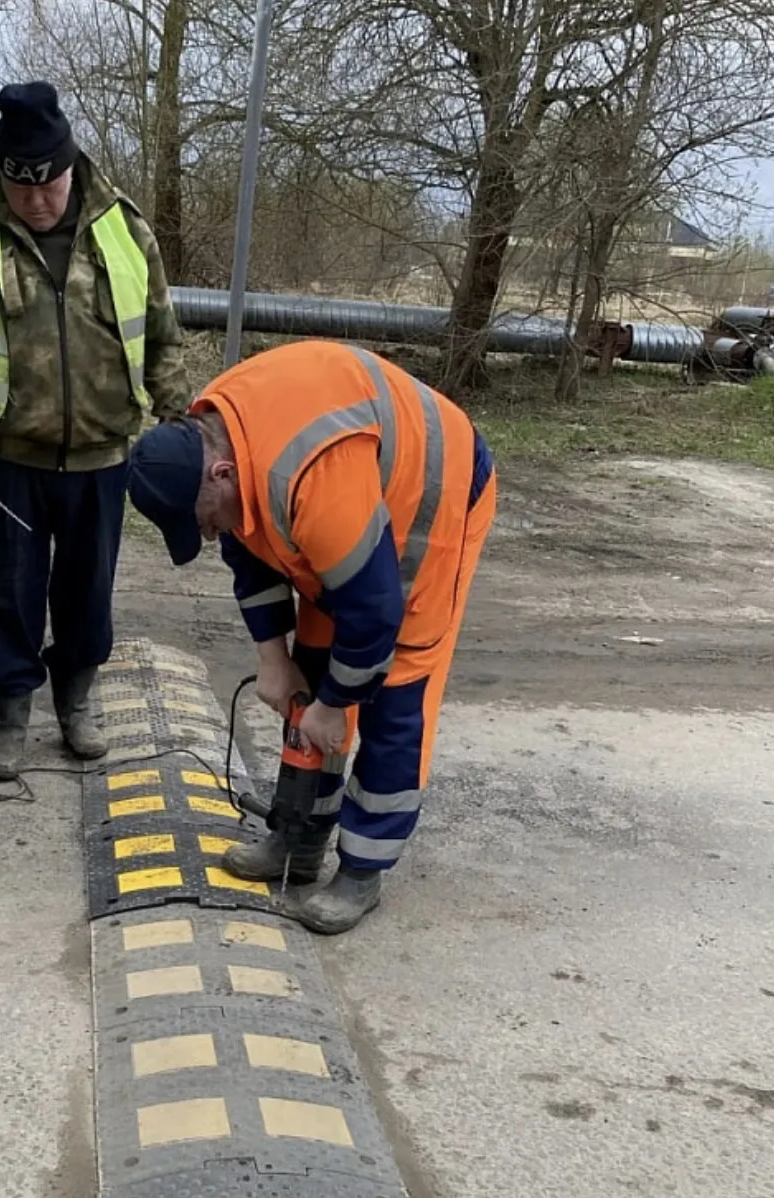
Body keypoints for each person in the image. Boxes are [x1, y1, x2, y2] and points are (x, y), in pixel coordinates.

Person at [125, 339, 496, 934]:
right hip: (348, 512)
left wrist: (336, 704)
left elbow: (374, 611)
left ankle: (363, 869)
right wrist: (274, 661)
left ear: (219, 472)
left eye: (204, 522)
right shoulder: (217, 434)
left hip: (435, 497)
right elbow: (251, 548)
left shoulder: (308, 474)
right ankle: (298, 840)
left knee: (394, 688)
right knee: (313, 668)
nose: (212, 537)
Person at [0, 81, 190, 780]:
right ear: (4, 174)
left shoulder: (123, 226)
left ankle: (77, 702)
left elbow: (161, 338)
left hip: (100, 454)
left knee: (87, 591)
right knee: (10, 590)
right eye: (21, 186)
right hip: (4, 455)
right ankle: (10, 713)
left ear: (71, 166)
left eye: (49, 185)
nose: (36, 201)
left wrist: (185, 421)